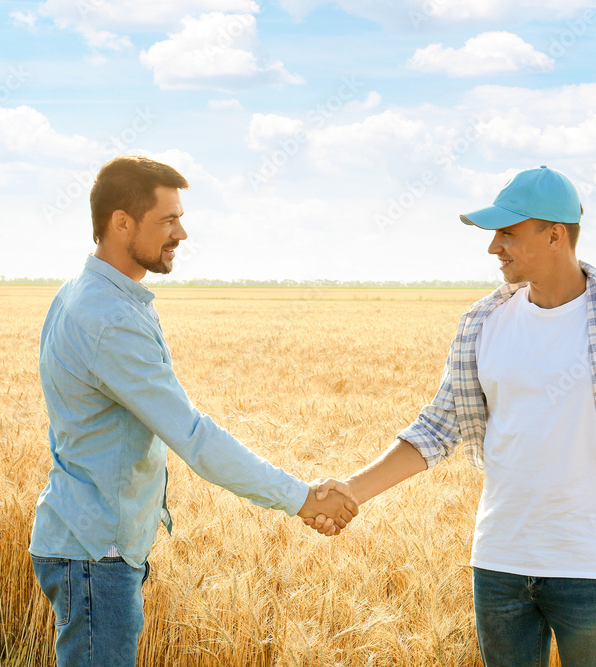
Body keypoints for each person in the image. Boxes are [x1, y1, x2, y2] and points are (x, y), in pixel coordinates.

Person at [307, 166, 596, 666]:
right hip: (499, 566)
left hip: (595, 568)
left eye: (507, 233)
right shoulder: (483, 321)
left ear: (555, 235)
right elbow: (439, 427)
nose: (493, 247)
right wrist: (352, 491)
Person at [28, 155, 357, 667]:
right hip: (97, 553)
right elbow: (194, 438)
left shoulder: (84, 293)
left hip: (88, 542)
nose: (182, 232)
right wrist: (302, 498)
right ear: (122, 223)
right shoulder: (110, 317)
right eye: (168, 219)